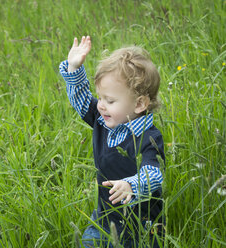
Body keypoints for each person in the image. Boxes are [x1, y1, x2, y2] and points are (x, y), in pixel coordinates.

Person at [59, 36, 165, 247]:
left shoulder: (148, 137)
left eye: (110, 100)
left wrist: (131, 185)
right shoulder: (103, 120)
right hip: (106, 219)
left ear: (139, 104)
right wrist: (74, 68)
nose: (101, 105)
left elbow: (154, 174)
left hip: (141, 227)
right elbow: (80, 99)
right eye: (100, 97)